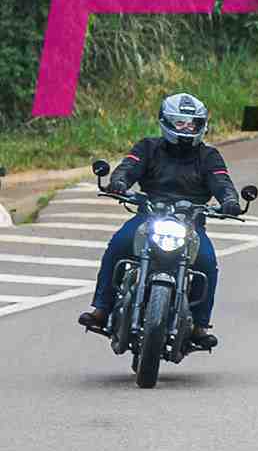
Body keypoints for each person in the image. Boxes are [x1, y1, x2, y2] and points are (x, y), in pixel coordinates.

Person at [78, 92, 240, 349]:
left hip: (190, 222)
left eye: (192, 124)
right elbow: (128, 167)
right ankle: (101, 308)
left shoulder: (209, 156)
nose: (187, 128)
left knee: (207, 262)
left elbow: (222, 181)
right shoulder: (148, 147)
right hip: (149, 215)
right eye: (180, 123)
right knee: (118, 244)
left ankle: (199, 325)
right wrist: (119, 182)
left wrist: (230, 200)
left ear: (201, 125)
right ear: (166, 122)